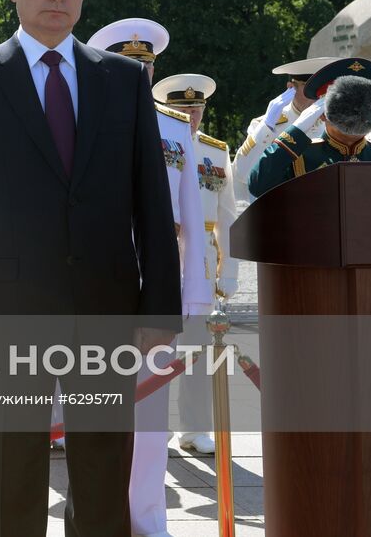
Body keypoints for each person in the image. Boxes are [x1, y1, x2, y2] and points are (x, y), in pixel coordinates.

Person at [0, 0, 181, 537]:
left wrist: (159, 308)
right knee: (12, 470)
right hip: (8, 312)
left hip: (106, 307)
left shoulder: (123, 81)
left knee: (101, 470)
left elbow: (151, 200)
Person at [86, 20, 210, 537]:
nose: (139, 72)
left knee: (151, 415)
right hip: (90, 284)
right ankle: (98, 515)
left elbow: (192, 217)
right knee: (91, 415)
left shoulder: (176, 129)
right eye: (129, 64)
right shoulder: (78, 119)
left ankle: (148, 517)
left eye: (147, 65)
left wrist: (196, 290)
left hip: (154, 286)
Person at [152, 73, 240, 465]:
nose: (190, 114)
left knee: (198, 351)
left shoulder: (215, 152)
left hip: (200, 262)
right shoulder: (154, 141)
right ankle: (154, 427)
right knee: (155, 348)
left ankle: (196, 427)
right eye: (182, 108)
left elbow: (227, 216)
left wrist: (229, 270)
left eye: (196, 107)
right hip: (159, 252)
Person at [249, 59, 371, 197]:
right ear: (322, 114)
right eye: (344, 105)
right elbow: (258, 185)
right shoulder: (299, 158)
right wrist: (297, 129)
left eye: (364, 104)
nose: (357, 112)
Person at [233, 58, 333, 207]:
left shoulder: (331, 125)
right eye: (308, 89)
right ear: (291, 88)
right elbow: (242, 172)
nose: (316, 96)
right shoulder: (268, 125)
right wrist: (267, 127)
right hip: (278, 209)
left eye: (320, 90)